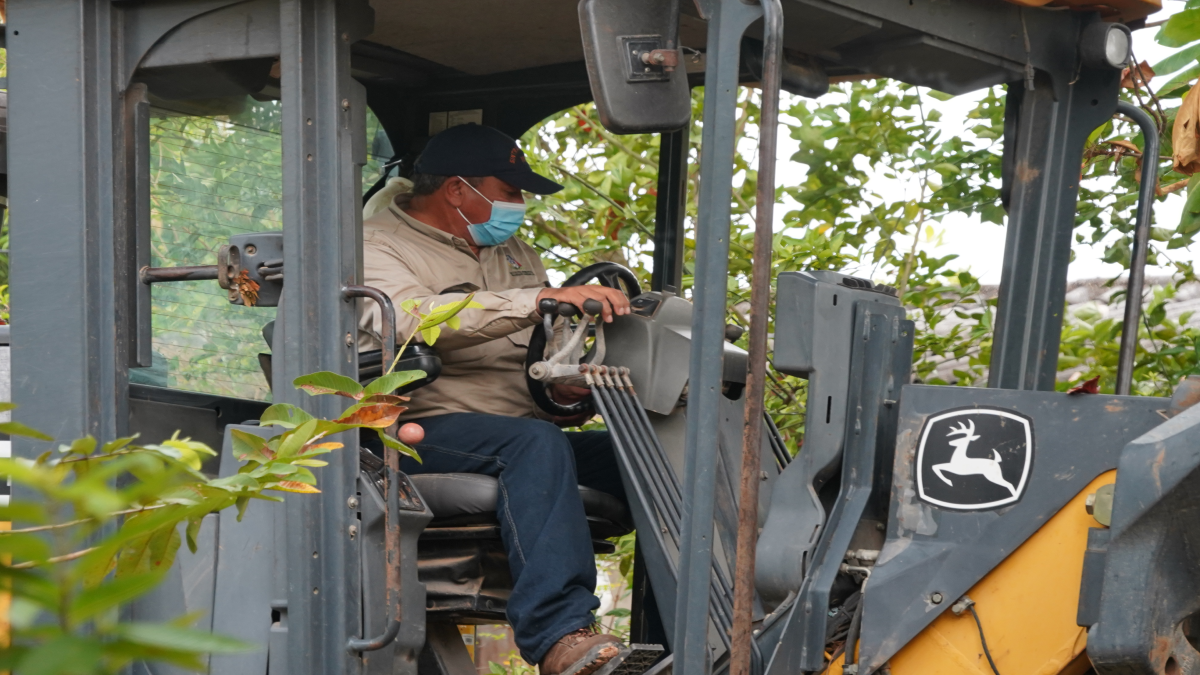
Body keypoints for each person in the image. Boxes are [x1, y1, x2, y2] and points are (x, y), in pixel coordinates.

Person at [357, 123, 634, 675]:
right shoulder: (373, 248)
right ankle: (560, 636)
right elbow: (412, 321)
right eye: (510, 192)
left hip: (524, 431)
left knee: (643, 453)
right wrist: (539, 299)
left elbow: (545, 345)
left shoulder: (513, 251)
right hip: (421, 433)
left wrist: (569, 384)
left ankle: (688, 625)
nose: (520, 205)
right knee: (533, 444)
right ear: (458, 190)